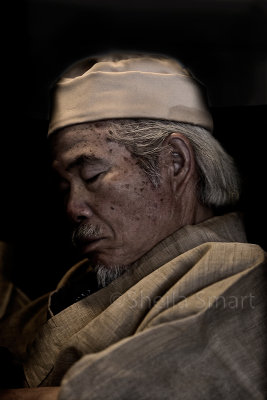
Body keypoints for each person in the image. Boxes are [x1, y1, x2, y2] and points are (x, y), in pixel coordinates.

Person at [0, 52, 266, 400]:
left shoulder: (240, 278)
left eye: (92, 175)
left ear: (175, 161)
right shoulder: (94, 277)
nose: (73, 208)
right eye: (65, 186)